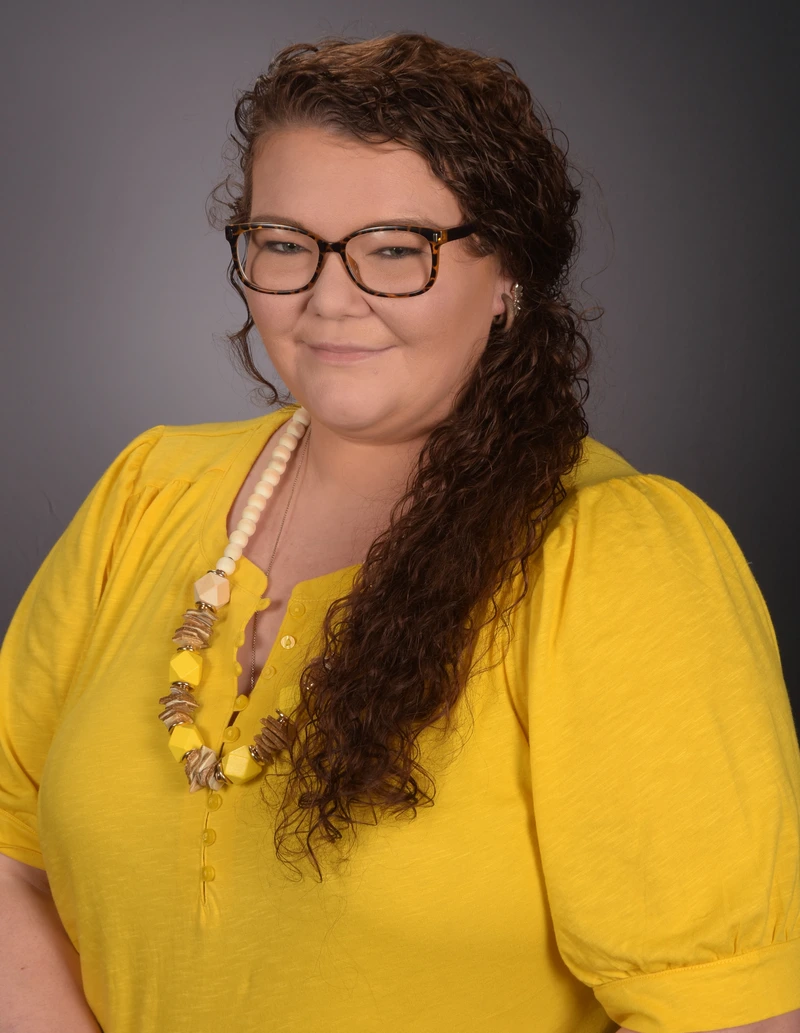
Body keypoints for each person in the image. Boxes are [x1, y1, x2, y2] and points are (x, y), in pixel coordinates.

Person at [0, 30, 798, 1033]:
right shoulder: (148, 489)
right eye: (284, 243)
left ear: (504, 273)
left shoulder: (616, 559)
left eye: (392, 250)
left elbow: (726, 1015)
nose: (328, 297)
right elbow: (9, 853)